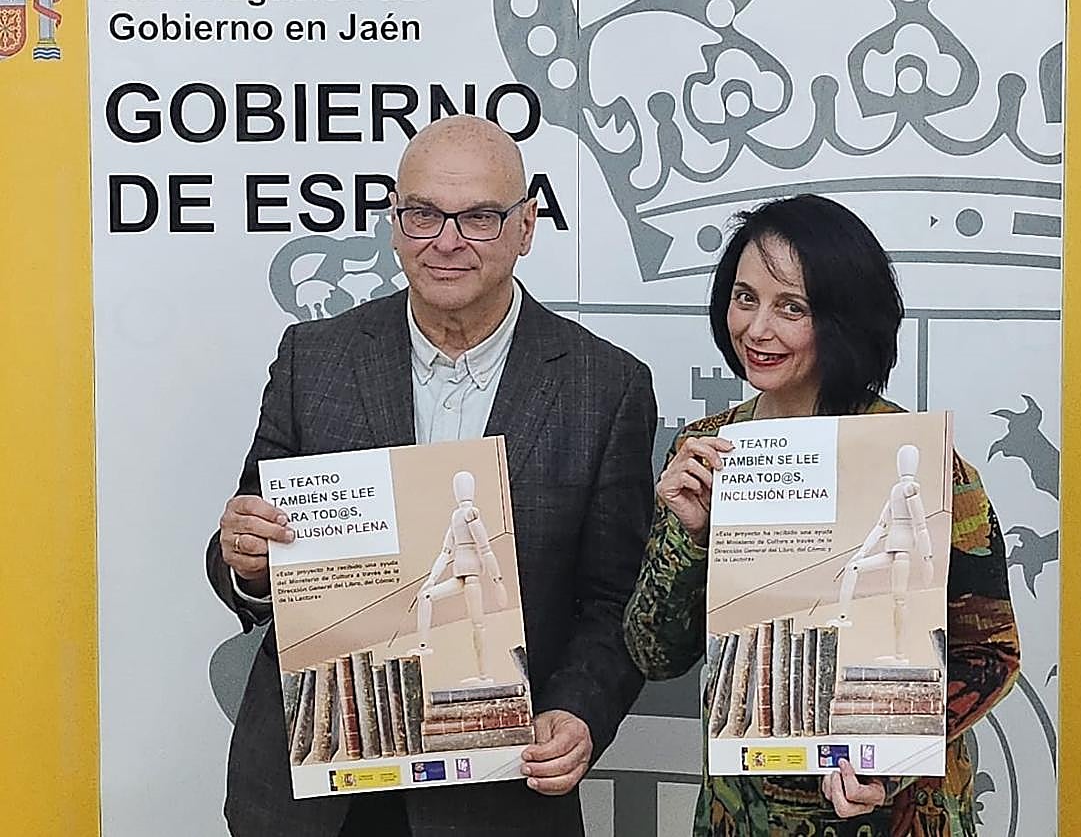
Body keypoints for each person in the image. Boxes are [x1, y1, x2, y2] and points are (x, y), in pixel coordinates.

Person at [206, 115, 657, 837]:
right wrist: (248, 564)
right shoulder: (313, 359)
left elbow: (614, 599)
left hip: (497, 790)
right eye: (423, 214)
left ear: (526, 227)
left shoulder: (605, 387)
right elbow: (244, 552)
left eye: (478, 217)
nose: (446, 241)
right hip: (315, 790)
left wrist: (579, 709)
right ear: (394, 221)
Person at [623, 194, 1020, 837]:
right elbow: (654, 654)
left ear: (842, 319)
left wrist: (884, 760)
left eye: (792, 307)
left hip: (891, 814)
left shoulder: (921, 463)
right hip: (743, 815)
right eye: (745, 298)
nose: (757, 329)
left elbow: (990, 653)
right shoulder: (706, 453)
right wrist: (692, 536)